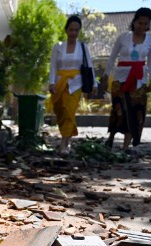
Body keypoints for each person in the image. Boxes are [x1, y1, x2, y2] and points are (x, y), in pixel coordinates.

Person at [101, 7, 151, 151]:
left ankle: (126, 146)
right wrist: (106, 76)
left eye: (146, 24)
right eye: (140, 23)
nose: (142, 26)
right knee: (119, 110)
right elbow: (112, 58)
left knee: (135, 112)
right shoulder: (123, 37)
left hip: (139, 81)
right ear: (134, 22)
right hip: (120, 79)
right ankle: (111, 137)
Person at [49, 15, 97, 155]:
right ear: (66, 30)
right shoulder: (58, 47)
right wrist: (51, 82)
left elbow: (90, 66)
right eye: (71, 30)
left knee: (69, 111)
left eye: (76, 30)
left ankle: (65, 142)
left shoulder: (83, 47)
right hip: (59, 83)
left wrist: (94, 83)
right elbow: (53, 66)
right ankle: (66, 137)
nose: (73, 33)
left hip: (76, 84)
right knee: (60, 112)